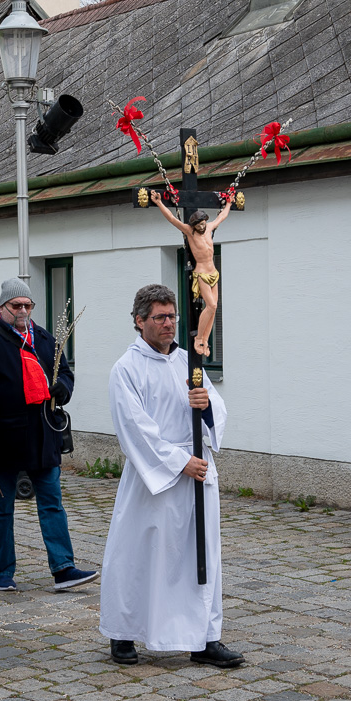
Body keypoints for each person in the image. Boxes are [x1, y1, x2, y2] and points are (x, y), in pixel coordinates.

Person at [101, 283, 243, 668]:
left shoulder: (189, 362)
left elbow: (216, 409)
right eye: (159, 317)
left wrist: (206, 404)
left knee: (202, 557)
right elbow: (134, 427)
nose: (168, 324)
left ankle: (204, 639)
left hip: (197, 474)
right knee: (140, 554)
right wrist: (180, 461)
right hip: (156, 479)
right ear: (139, 321)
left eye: (172, 317)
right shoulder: (126, 369)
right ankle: (124, 632)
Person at [0, 278, 98, 593]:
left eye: (27, 305)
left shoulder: (43, 337)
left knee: (52, 503)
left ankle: (64, 568)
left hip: (42, 435)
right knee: (1, 508)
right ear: (3, 308)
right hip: (2, 438)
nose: (23, 310)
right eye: (16, 306)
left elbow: (64, 372)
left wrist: (61, 389)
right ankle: (2, 572)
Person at [150, 189, 233, 356]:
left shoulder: (209, 228)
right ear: (194, 225)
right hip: (201, 273)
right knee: (211, 305)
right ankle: (198, 339)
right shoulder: (190, 232)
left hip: (213, 273)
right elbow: (172, 219)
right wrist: (159, 202)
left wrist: (229, 203)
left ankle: (205, 341)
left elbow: (222, 217)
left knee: (213, 309)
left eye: (203, 223)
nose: (202, 226)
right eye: (199, 224)